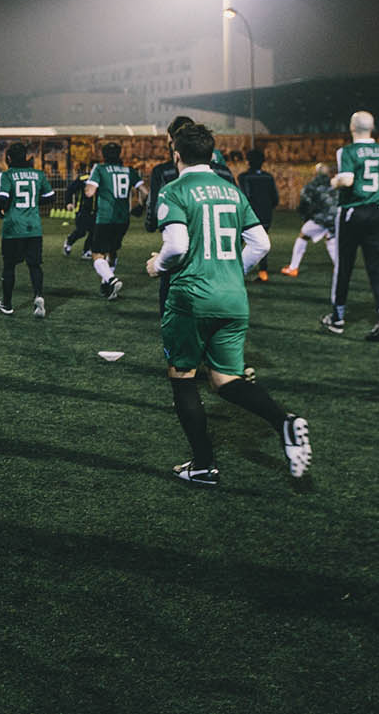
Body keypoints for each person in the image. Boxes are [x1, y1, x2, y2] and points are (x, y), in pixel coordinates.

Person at [145, 122, 311, 485]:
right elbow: (262, 244)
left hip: (191, 297)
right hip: (233, 297)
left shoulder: (173, 190)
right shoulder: (231, 190)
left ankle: (203, 465)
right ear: (211, 155)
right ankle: (284, 422)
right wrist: (233, 271)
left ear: (176, 155)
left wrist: (157, 265)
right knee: (225, 380)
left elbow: (176, 246)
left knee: (183, 377)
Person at [322, 111, 379, 340]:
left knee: (344, 265)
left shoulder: (347, 151)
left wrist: (334, 181)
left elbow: (347, 180)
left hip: (352, 211)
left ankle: (337, 318)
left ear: (352, 127)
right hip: (377, 212)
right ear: (372, 127)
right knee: (376, 267)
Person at [0, 142, 55, 317]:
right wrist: (34, 201)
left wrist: (0, 211)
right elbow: (51, 197)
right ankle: (38, 295)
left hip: (13, 227)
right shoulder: (38, 174)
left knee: (9, 266)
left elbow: (2, 200)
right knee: (34, 265)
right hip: (34, 227)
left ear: (9, 158)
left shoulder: (7, 175)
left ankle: (7, 304)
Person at [83, 141, 144, 300]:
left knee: (97, 254)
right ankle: (107, 286)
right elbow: (145, 191)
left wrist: (87, 185)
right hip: (123, 219)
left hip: (105, 217)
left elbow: (90, 192)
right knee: (112, 251)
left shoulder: (100, 168)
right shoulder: (129, 170)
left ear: (104, 155)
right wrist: (141, 205)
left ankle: (111, 280)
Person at [281, 163, 339, 277]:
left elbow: (305, 202)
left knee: (303, 236)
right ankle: (339, 267)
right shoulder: (335, 184)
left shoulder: (313, 185)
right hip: (336, 218)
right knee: (331, 238)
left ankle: (293, 268)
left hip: (321, 219)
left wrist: (306, 217)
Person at [237, 148, 279, 282]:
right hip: (266, 215)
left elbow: (245, 196)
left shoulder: (244, 177)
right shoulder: (268, 177)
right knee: (261, 242)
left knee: (237, 242)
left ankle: (232, 270)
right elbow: (275, 198)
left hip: (249, 216)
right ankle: (263, 272)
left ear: (248, 162)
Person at [62, 164, 96, 258]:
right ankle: (69, 241)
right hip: (83, 210)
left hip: (97, 211)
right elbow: (70, 190)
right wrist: (68, 203)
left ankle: (86, 251)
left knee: (95, 232)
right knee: (81, 231)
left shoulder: (102, 179)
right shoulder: (83, 179)